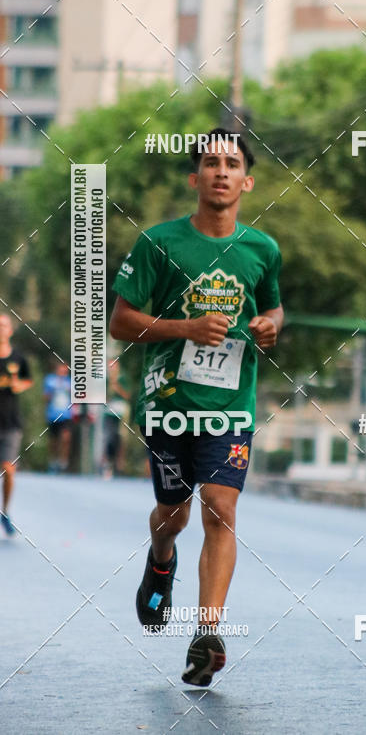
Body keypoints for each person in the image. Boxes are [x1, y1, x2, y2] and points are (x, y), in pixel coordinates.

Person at [109, 128, 283, 686]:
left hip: (231, 404)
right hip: (168, 400)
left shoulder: (263, 249)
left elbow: (276, 310)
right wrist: (184, 327)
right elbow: (120, 321)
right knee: (175, 513)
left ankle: (206, 633)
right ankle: (161, 556)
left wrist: (268, 326)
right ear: (195, 178)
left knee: (220, 508)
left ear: (247, 181)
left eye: (232, 163)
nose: (221, 171)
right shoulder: (159, 243)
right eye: (210, 162)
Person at [0, 314, 33, 535]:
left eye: (3, 326)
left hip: (11, 423)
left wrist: (17, 385)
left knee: (8, 469)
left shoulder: (18, 357)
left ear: (10, 330)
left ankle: (5, 511)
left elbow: (27, 379)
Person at [102, 358, 130, 477]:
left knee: (121, 438)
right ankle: (108, 464)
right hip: (109, 412)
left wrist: (116, 387)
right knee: (109, 438)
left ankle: (120, 464)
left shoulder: (123, 379)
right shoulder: (105, 381)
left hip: (121, 412)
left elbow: (127, 395)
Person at [43, 360, 72, 473]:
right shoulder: (50, 380)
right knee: (54, 440)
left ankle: (63, 462)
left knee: (65, 438)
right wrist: (53, 391)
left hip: (66, 415)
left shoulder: (70, 382)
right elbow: (45, 397)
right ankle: (53, 461)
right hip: (53, 414)